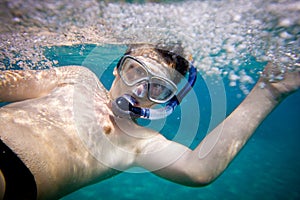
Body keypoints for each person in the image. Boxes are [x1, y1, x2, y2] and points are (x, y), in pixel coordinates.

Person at [0, 43, 299, 200]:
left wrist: (269, 92)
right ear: (118, 69)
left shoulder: (137, 143)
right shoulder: (76, 76)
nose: (139, 91)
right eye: (134, 72)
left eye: (157, 88)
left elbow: (200, 170)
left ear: (166, 102)